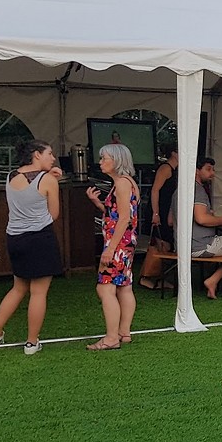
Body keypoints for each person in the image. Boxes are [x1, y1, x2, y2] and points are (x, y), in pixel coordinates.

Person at [0, 140, 64, 355]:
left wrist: (49, 176)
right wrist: (52, 180)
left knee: (18, 288)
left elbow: (30, 186)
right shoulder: (47, 180)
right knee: (38, 292)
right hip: (39, 239)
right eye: (49, 153)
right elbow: (54, 214)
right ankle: (31, 342)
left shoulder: (11, 176)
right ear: (37, 155)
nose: (53, 158)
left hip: (15, 239)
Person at [84, 144, 139, 351]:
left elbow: (123, 218)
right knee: (124, 286)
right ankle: (124, 332)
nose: (100, 162)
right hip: (126, 243)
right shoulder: (127, 182)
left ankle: (111, 337)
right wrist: (98, 203)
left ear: (116, 161)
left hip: (118, 244)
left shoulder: (122, 184)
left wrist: (110, 249)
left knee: (105, 288)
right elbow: (117, 214)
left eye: (104, 158)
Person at [172, 157, 222, 299]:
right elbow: (201, 219)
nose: (212, 173)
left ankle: (211, 278)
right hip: (201, 245)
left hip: (181, 246)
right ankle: (213, 280)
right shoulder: (198, 190)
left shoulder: (179, 191)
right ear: (196, 171)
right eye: (208, 169)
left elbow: (171, 220)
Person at [139, 142, 179, 290]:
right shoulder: (165, 168)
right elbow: (155, 190)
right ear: (173, 153)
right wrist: (155, 213)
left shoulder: (176, 170)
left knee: (165, 244)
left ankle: (158, 277)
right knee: (160, 244)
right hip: (159, 210)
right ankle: (146, 277)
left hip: (167, 210)